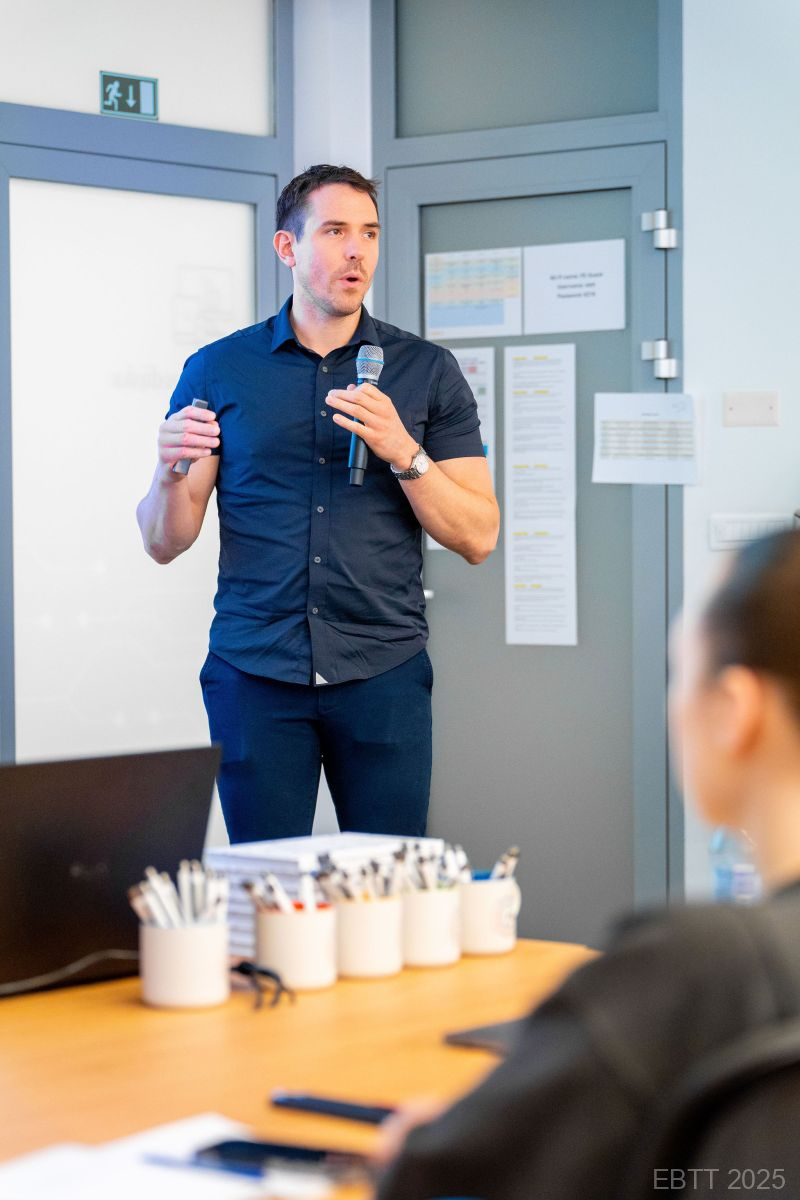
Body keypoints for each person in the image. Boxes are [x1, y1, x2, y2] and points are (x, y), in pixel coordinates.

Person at [374, 530, 800, 1200]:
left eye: (680, 671)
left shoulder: (700, 965)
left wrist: (424, 1145)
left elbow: (449, 1167)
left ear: (733, 711)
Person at [136, 164, 499, 843]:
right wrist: (166, 473)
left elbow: (478, 535)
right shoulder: (218, 369)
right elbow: (164, 541)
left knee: (389, 881)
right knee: (267, 883)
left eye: (369, 233)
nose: (357, 251)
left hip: (383, 670)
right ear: (288, 247)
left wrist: (404, 451)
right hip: (255, 672)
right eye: (334, 231)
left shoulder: (427, 371)